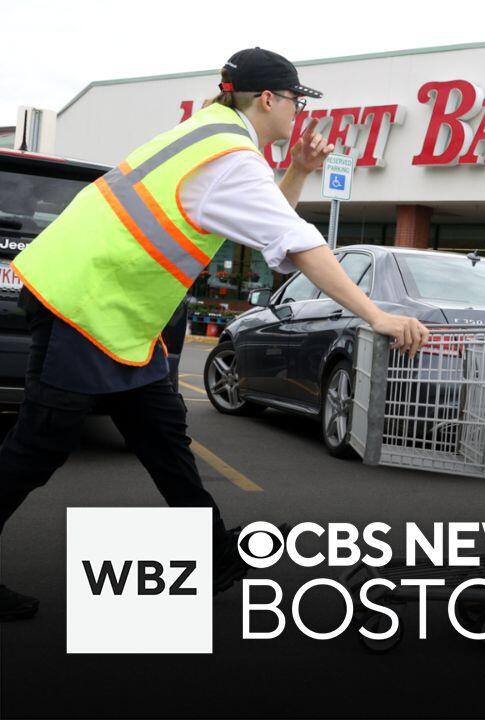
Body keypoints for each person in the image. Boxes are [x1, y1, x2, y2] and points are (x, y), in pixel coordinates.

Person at [0, 48, 428, 620]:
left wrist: (299, 170)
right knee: (38, 447)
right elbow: (299, 243)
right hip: (81, 306)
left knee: (164, 438)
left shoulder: (211, 136)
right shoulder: (230, 156)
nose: (298, 111)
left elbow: (270, 221)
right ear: (268, 99)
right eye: (296, 100)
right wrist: (376, 315)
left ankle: (217, 558)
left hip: (114, 315)